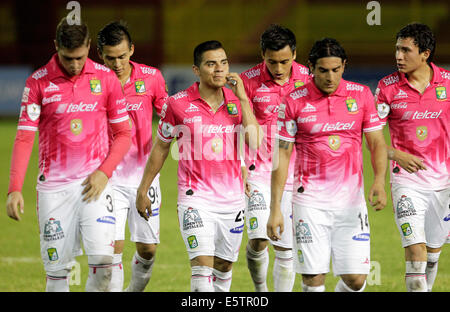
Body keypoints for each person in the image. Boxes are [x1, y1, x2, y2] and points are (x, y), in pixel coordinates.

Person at [5, 17, 131, 292]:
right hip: (54, 191)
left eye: (79, 58)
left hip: (94, 186)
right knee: (58, 273)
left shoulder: (106, 79)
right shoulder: (37, 83)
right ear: (56, 47)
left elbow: (124, 134)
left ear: (89, 46)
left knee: (103, 264)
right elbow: (25, 136)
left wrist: (104, 172)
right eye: (67, 58)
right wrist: (14, 188)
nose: (74, 65)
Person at [136, 40, 262, 292]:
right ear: (196, 70)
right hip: (195, 198)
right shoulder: (177, 104)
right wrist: (143, 188)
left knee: (224, 266)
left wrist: (244, 100)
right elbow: (161, 147)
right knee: (202, 266)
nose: (219, 70)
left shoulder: (238, 102)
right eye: (211, 64)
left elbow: (256, 142)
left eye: (223, 63)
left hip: (232, 199)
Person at [268, 38, 388, 292]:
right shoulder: (293, 101)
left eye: (336, 69)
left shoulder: (361, 95)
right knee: (313, 279)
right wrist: (276, 208)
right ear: (311, 68)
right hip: (309, 203)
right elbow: (282, 155)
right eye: (323, 70)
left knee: (356, 281)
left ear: (344, 66)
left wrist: (379, 180)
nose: (330, 77)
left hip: (351, 203)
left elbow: (377, 143)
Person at [375, 23, 449, 292]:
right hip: (407, 183)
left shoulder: (448, 85)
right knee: (416, 256)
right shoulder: (387, 88)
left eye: (406, 50)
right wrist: (395, 154)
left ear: (425, 53)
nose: (399, 56)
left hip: (443, 184)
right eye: (397, 49)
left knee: (432, 254)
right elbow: (371, 136)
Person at [97, 21, 168, 292]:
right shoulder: (94, 83)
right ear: (100, 54)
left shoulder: (152, 78)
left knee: (148, 249)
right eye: (110, 57)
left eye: (122, 56)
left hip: (144, 176)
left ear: (132, 50)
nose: (117, 64)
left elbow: (170, 115)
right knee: (110, 249)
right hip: (108, 177)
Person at [240, 24, 310, 292]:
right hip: (258, 171)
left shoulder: (310, 77)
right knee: (259, 240)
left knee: (285, 245)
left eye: (284, 61)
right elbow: (233, 126)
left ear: (295, 54)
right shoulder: (247, 81)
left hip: (296, 174)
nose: (279, 69)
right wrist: (239, 166)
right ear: (262, 55)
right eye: (272, 62)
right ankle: (261, 290)